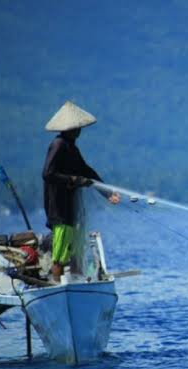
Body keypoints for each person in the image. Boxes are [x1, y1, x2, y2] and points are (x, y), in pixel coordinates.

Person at [42, 101, 119, 282]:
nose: (80, 131)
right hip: (58, 208)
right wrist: (74, 180)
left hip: (70, 207)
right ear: (69, 128)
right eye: (77, 127)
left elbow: (86, 171)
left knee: (75, 248)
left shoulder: (71, 148)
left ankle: (77, 282)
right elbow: (47, 174)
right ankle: (58, 285)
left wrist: (107, 192)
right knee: (60, 254)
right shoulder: (58, 145)